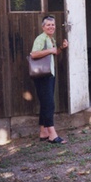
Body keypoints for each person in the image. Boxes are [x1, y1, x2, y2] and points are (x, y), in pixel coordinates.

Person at [30, 15, 69, 144]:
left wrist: (62, 48)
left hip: (49, 75)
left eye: (53, 25)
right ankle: (52, 135)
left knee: (46, 103)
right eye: (48, 25)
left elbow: (54, 52)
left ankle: (43, 132)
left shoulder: (50, 39)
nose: (51, 27)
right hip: (42, 76)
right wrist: (49, 50)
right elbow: (33, 54)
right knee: (49, 104)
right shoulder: (40, 38)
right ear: (43, 27)